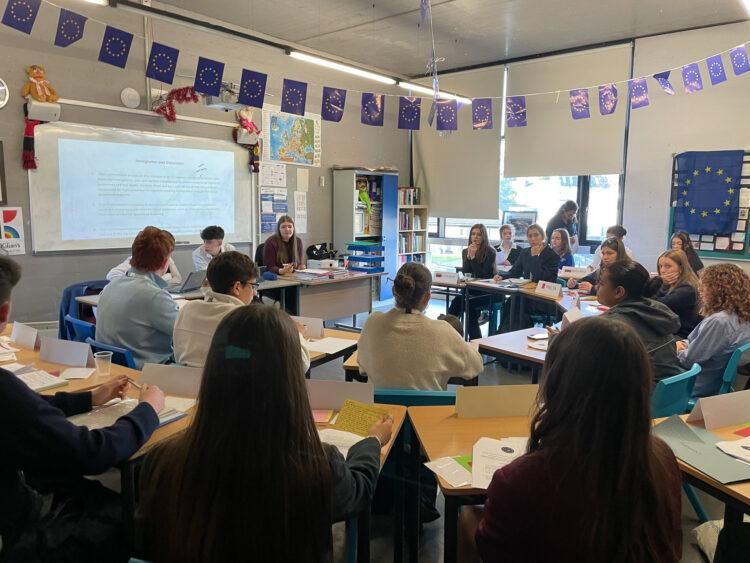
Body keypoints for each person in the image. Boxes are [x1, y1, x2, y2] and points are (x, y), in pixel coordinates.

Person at [138, 305, 393, 562]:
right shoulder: (317, 467)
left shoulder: (161, 463)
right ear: (290, 377)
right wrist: (372, 440)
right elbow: (359, 490)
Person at [466, 317, 682, 563]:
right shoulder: (663, 459)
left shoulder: (520, 480)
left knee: (467, 516)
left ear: (556, 383)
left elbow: (494, 552)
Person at [0, 255, 166, 560]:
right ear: (4, 312)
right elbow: (92, 453)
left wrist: (88, 399)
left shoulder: (9, 394)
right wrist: (147, 411)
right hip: (18, 532)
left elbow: (29, 409)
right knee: (126, 511)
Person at [173, 251, 310, 371]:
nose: (255, 293)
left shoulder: (187, 310)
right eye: (253, 286)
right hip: (237, 390)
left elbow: (179, 356)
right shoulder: (249, 319)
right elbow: (300, 364)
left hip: (190, 389)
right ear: (237, 287)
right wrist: (295, 333)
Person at [359, 263, 483, 390]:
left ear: (395, 291)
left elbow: (362, 367)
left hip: (377, 403)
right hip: (428, 403)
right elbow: (476, 365)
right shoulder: (443, 331)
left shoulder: (372, 323)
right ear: (427, 297)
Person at [96, 227, 180, 368]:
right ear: (164, 262)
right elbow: (186, 333)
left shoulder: (111, 286)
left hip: (114, 367)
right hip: (148, 371)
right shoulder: (155, 296)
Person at [596, 260, 683, 381]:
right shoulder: (656, 310)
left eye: (601, 284)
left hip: (645, 389)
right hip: (671, 387)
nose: (597, 287)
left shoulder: (612, 324)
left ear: (618, 292)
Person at [677, 263, 750, 397]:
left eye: (704, 286)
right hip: (717, 382)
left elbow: (689, 360)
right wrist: (685, 345)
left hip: (697, 385)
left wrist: (676, 350)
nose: (700, 289)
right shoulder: (743, 316)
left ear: (718, 290)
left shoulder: (719, 321)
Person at [448, 224, 497, 339]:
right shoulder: (466, 251)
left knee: (468, 304)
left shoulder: (490, 252)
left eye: (479, 234)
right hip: (470, 290)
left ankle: (476, 339)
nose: (475, 237)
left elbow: (484, 275)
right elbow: (466, 272)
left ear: (484, 237)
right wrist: (469, 257)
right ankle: (448, 333)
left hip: (485, 291)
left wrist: (473, 258)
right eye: (473, 234)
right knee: (456, 302)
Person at [653, 249, 702, 338]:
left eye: (668, 266)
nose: (662, 270)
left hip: (681, 336)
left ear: (681, 268)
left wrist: (662, 284)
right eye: (660, 266)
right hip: (670, 331)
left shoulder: (687, 289)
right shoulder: (672, 285)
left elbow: (656, 306)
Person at [107, 229, 182, 284]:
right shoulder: (137, 260)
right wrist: (165, 278)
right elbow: (112, 275)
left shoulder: (167, 258)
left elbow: (178, 280)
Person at [495, 224, 559, 283]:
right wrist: (502, 276)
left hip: (543, 290)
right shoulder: (525, 252)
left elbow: (540, 278)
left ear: (542, 237)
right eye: (530, 236)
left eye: (536, 235)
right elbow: (514, 272)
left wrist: (535, 257)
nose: (533, 239)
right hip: (526, 289)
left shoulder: (553, 256)